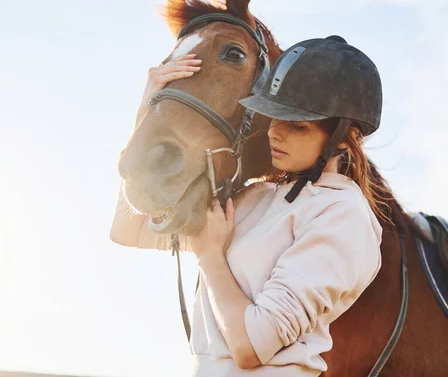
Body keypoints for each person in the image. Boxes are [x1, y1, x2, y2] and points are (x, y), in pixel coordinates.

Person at [146, 36, 388, 376]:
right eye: (273, 117)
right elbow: (134, 226)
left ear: (343, 139)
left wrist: (210, 257)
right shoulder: (255, 195)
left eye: (297, 125)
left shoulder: (343, 215)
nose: (275, 134)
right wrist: (151, 98)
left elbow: (249, 347)